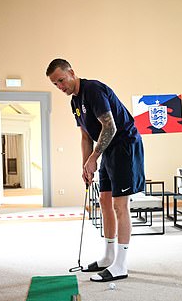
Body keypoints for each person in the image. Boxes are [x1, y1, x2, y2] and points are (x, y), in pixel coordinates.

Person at [46, 59, 145, 282]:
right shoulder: (74, 102)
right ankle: (108, 256)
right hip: (107, 149)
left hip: (124, 147)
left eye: (61, 80)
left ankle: (121, 264)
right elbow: (85, 136)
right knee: (104, 200)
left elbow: (110, 127)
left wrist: (93, 158)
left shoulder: (93, 90)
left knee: (120, 205)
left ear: (71, 72)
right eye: (55, 84)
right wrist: (86, 166)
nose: (60, 86)